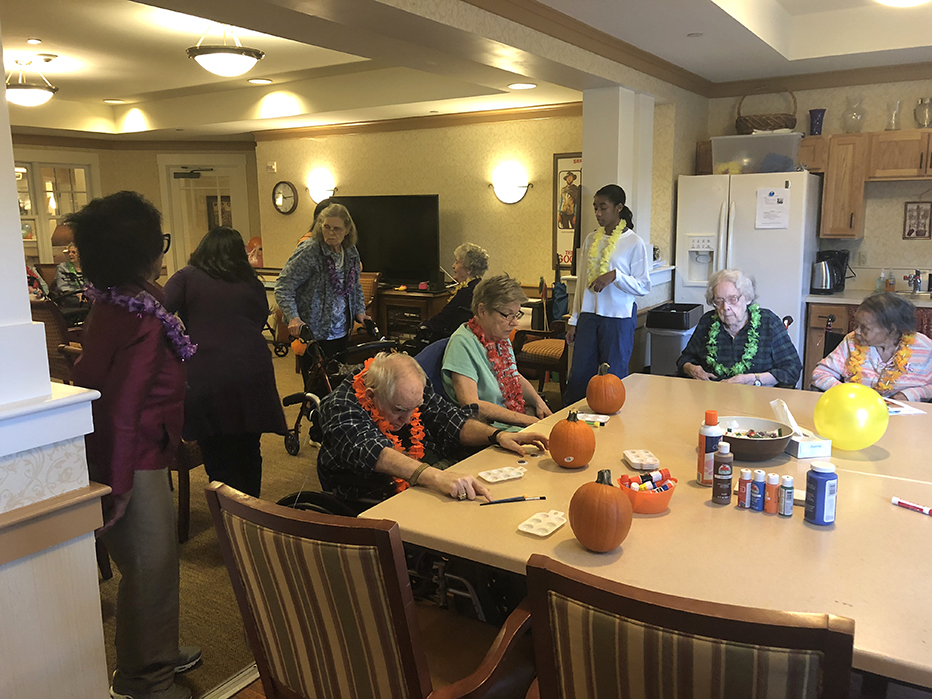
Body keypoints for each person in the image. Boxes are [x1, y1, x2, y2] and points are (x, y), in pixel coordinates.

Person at [69, 191, 199, 699]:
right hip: (133, 458)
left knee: (156, 565)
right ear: (143, 251)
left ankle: (157, 653)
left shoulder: (117, 303)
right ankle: (145, 681)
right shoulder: (143, 317)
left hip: (141, 451)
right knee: (150, 568)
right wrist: (119, 486)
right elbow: (122, 411)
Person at [317, 352, 548, 505]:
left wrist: (497, 435)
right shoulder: (340, 406)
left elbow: (448, 419)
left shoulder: (413, 388)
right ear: (370, 396)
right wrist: (437, 477)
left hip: (421, 470)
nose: (408, 419)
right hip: (370, 491)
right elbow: (372, 451)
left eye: (414, 409)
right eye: (399, 410)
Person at [164, 226, 287, 498]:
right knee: (249, 448)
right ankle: (250, 508)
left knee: (217, 452)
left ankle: (227, 514)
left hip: (208, 373)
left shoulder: (186, 277)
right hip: (252, 370)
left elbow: (159, 313)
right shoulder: (252, 282)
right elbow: (258, 321)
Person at [565, 184, 651, 404]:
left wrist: (616, 276)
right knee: (579, 376)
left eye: (603, 207)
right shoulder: (590, 239)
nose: (598, 213)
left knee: (613, 377)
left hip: (618, 319)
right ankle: (574, 418)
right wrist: (574, 320)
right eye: (595, 208)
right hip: (589, 316)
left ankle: (611, 420)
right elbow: (582, 282)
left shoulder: (634, 242)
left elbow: (643, 286)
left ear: (619, 207)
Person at [275, 202, 369, 388]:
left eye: (337, 229)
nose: (331, 233)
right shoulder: (310, 251)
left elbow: (355, 287)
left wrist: (360, 312)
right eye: (326, 227)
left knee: (339, 387)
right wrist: (293, 317)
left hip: (341, 332)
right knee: (318, 389)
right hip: (314, 334)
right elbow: (283, 286)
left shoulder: (351, 252)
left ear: (347, 230)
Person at [442, 274, 552, 428]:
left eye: (516, 314)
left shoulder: (499, 338)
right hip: (489, 429)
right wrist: (526, 420)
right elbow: (471, 404)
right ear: (482, 310)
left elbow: (513, 376)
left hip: (512, 421)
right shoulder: (462, 344)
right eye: (507, 315)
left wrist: (539, 403)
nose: (515, 322)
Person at [677, 269, 802, 387]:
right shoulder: (707, 322)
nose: (725, 307)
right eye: (719, 301)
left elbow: (792, 369)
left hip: (758, 395)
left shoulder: (769, 323)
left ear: (747, 298)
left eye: (733, 299)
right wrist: (691, 368)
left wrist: (754, 379)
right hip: (713, 394)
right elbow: (685, 358)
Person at [811, 292, 932, 401]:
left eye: (864, 328)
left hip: (906, 414)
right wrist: (848, 392)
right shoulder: (851, 342)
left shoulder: (924, 347)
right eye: (857, 325)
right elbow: (820, 374)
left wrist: (910, 395)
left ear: (892, 329)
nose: (857, 331)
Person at [405, 242, 489, 353]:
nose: (453, 266)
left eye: (457, 262)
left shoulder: (466, 293)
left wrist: (422, 325)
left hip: (450, 344)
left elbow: (441, 321)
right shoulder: (481, 289)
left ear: (469, 269)